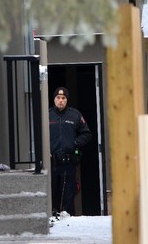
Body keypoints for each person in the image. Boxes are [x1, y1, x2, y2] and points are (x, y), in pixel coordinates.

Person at [49, 87, 92, 216]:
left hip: (68, 162)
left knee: (68, 195)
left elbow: (86, 134)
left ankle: (68, 221)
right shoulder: (47, 114)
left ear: (67, 100)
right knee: (52, 194)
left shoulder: (75, 115)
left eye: (63, 98)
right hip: (52, 162)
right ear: (54, 99)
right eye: (58, 98)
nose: (60, 101)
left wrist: (75, 144)